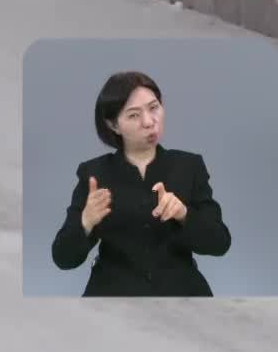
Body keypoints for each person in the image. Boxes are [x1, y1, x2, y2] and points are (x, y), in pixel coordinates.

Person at [50, 71, 232, 296]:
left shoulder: (189, 166)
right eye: (134, 115)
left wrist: (184, 214)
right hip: (112, 297)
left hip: (183, 295)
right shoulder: (94, 174)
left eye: (154, 107)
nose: (149, 122)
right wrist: (85, 223)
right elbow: (63, 259)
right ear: (113, 125)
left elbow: (220, 243)